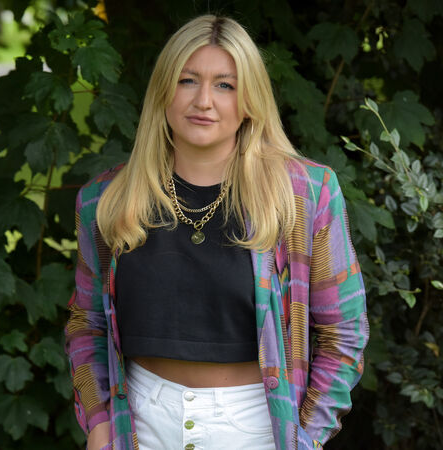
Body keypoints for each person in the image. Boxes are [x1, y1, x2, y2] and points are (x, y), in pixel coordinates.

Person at [65, 14, 368, 450]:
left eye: (225, 85)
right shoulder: (107, 199)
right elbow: (87, 323)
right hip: (139, 423)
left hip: (257, 427)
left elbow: (345, 333)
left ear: (249, 100)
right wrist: (98, 422)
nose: (203, 101)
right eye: (187, 81)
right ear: (163, 91)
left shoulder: (304, 195)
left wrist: (305, 437)